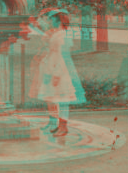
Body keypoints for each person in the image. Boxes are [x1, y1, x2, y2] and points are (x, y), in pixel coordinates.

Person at [28, 8, 86, 137]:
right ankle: (58, 125)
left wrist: (56, 75)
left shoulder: (62, 35)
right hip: (53, 68)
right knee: (56, 98)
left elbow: (62, 57)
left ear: (58, 20)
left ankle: (63, 127)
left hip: (60, 71)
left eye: (52, 20)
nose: (50, 22)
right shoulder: (57, 33)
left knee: (63, 100)